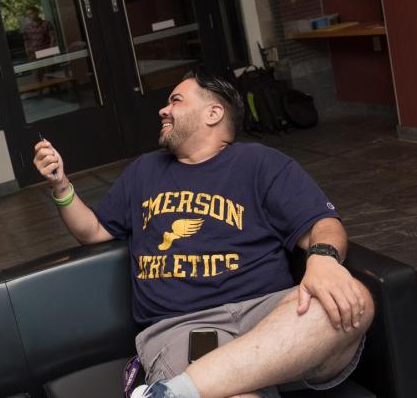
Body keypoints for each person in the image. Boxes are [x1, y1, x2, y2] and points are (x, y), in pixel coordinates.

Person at [33, 70, 372, 398]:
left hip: (269, 319)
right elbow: (92, 231)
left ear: (213, 113)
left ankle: (174, 392)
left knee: (356, 298)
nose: (163, 109)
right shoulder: (144, 171)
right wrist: (61, 186)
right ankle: (195, 386)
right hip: (189, 326)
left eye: (175, 101)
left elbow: (323, 225)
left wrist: (324, 262)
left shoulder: (261, 163)